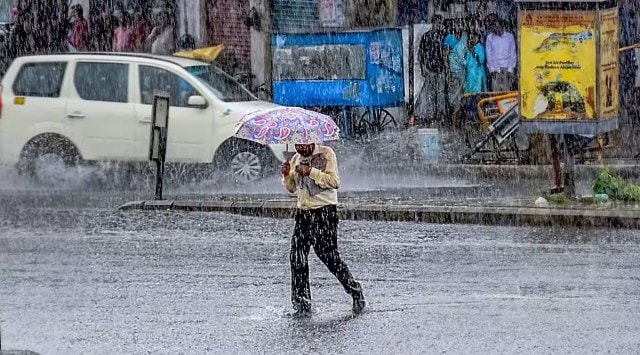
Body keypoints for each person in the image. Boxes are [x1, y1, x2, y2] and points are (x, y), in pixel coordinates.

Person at [281, 143, 366, 316]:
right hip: (303, 213)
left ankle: (355, 290)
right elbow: (292, 188)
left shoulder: (327, 154)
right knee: (297, 257)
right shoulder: (297, 158)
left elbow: (334, 181)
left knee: (329, 257)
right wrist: (286, 175)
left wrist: (310, 171)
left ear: (311, 142)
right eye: (297, 145)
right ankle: (302, 304)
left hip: (324, 213)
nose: (299, 149)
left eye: (302, 145)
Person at [417, 14, 449, 124]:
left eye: (441, 23)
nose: (439, 25)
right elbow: (421, 54)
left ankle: (441, 115)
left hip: (440, 69)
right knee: (430, 93)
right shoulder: (426, 36)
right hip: (430, 69)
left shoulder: (444, 36)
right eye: (437, 23)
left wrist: (446, 68)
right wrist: (423, 68)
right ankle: (431, 116)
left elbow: (446, 53)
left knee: (440, 93)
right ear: (433, 23)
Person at [443, 19, 468, 124]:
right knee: (454, 95)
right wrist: (447, 70)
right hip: (454, 70)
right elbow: (445, 55)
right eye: (457, 25)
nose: (459, 27)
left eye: (460, 25)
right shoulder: (449, 38)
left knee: (464, 94)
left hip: (465, 70)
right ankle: (453, 118)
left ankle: (461, 118)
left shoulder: (465, 37)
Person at [486, 19, 517, 92]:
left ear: (502, 26)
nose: (495, 28)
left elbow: (513, 54)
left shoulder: (510, 37)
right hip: (495, 69)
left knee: (506, 92)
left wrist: (510, 69)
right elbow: (488, 54)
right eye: (494, 27)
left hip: (506, 68)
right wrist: (492, 69)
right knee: (496, 93)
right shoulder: (490, 38)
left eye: (497, 26)